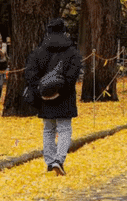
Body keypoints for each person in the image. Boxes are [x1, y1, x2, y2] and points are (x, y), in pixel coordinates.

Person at [24, 18, 83, 175]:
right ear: (64, 31)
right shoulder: (72, 52)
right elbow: (73, 75)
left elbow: (30, 73)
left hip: (44, 96)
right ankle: (59, 159)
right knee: (64, 128)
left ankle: (50, 162)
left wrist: (41, 90)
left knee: (48, 129)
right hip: (65, 96)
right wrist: (61, 90)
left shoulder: (38, 52)